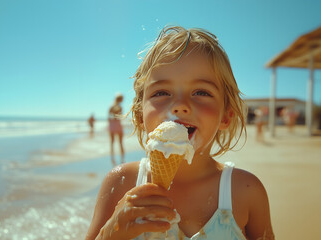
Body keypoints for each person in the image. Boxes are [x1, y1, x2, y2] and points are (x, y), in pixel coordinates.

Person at [86, 26, 274, 240]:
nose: (180, 105)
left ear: (226, 116)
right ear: (139, 114)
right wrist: (112, 231)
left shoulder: (245, 191)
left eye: (201, 92)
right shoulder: (121, 183)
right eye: (161, 92)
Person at [108, 93, 125, 164]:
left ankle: (112, 158)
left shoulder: (111, 106)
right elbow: (120, 116)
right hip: (118, 124)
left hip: (112, 124)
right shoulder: (120, 107)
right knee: (120, 143)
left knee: (112, 143)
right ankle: (122, 159)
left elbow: (109, 117)